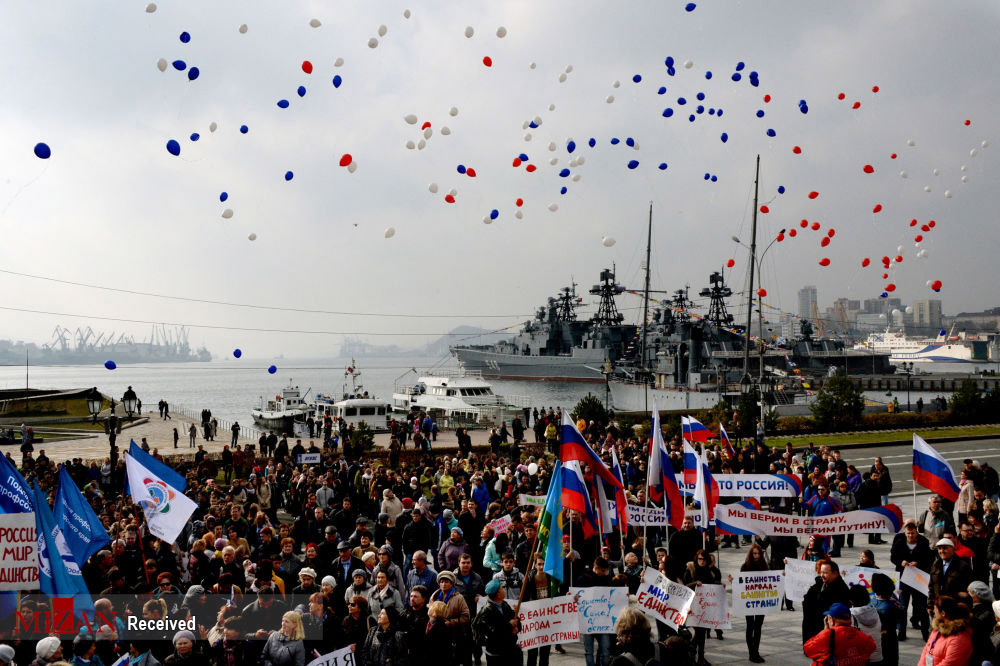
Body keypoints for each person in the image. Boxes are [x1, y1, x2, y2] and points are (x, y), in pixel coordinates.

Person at [889, 519, 933, 641]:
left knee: (921, 606)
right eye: (908, 533)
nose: (910, 536)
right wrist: (901, 562)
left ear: (916, 533)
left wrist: (917, 563)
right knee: (902, 605)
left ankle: (925, 631)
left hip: (919, 577)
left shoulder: (924, 542)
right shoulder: (899, 542)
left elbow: (929, 560)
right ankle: (901, 631)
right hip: (904, 577)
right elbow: (893, 557)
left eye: (912, 533)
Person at [802, 603, 877, 666]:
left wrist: (825, 631)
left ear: (831, 619)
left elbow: (807, 650)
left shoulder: (827, 636)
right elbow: (872, 647)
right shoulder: (862, 636)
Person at [683, 549, 723, 666]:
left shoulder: (708, 571)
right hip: (693, 606)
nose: (702, 561)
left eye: (704, 559)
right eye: (700, 559)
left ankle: (697, 655)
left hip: (706, 606)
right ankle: (695, 653)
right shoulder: (690, 570)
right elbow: (685, 587)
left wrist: (719, 584)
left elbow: (711, 585)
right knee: (700, 631)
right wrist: (695, 583)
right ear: (697, 559)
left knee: (702, 631)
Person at [733, 543, 768, 663]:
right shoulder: (745, 566)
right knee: (750, 626)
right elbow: (741, 582)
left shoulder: (764, 565)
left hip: (760, 601)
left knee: (758, 627)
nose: (756, 555)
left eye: (758, 553)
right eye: (754, 553)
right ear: (750, 554)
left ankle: (756, 651)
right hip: (748, 601)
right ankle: (751, 652)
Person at [473, 579, 520, 665]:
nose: (504, 590)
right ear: (498, 594)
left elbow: (515, 620)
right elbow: (492, 632)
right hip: (495, 654)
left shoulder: (504, 604)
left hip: (509, 649)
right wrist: (509, 625)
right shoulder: (486, 612)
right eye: (502, 588)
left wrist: (517, 627)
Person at [802, 560, 850, 643]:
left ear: (835, 573)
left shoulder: (841, 590)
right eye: (821, 572)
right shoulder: (820, 583)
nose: (822, 575)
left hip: (825, 634)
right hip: (813, 631)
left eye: (825, 573)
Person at [918, 596, 973, 666]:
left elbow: (950, 662)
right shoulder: (937, 629)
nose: (934, 611)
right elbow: (926, 650)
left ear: (943, 613)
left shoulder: (959, 639)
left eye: (935, 609)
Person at [929, 538, 974, 604]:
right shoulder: (935, 565)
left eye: (945, 548)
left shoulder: (963, 566)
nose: (942, 551)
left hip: (955, 605)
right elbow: (931, 587)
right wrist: (930, 604)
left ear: (952, 549)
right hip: (938, 606)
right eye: (939, 548)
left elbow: (967, 590)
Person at [847, 583, 883, 664]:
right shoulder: (876, 612)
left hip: (861, 659)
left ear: (851, 600)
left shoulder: (850, 616)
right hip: (877, 657)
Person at [967, 580, 995, 666]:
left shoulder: (984, 614)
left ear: (976, 596)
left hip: (980, 653)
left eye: (969, 593)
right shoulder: (987, 608)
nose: (967, 595)